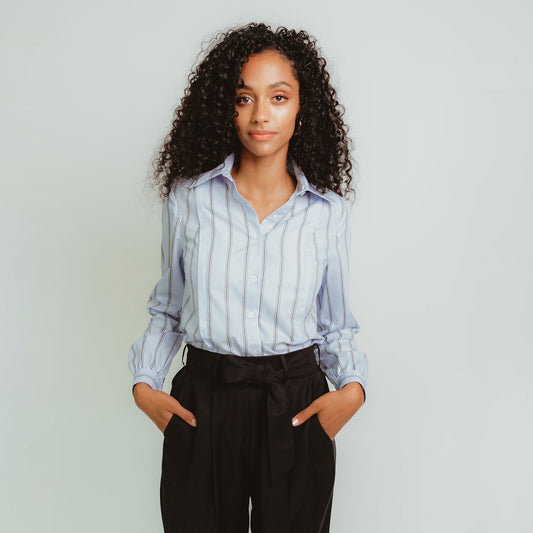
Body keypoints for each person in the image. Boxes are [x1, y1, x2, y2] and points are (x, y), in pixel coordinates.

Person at [128, 22, 368, 533]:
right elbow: (170, 307)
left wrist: (353, 390)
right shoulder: (189, 199)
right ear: (226, 107)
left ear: (303, 108)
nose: (261, 114)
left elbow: (336, 323)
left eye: (278, 96)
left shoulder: (327, 213)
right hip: (206, 402)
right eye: (244, 97)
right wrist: (145, 385)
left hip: (297, 404)